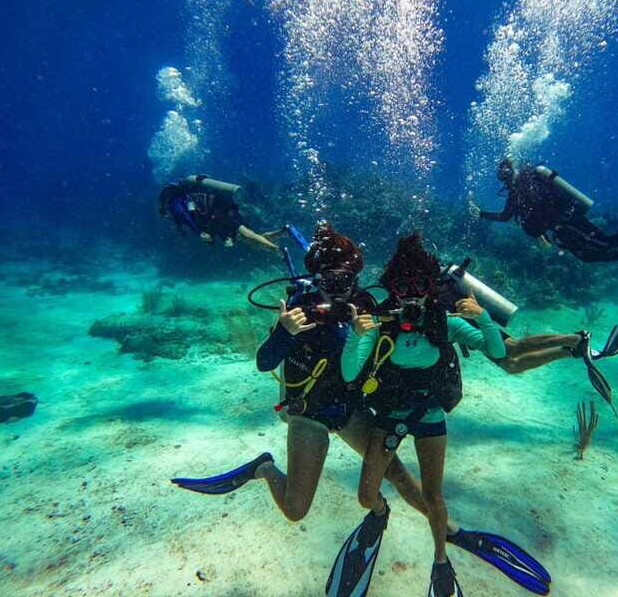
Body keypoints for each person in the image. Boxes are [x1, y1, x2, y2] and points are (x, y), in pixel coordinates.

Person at [171, 224, 551, 597]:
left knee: (398, 475)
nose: (339, 287)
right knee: (296, 509)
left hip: (352, 410)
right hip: (310, 412)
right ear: (316, 277)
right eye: (330, 279)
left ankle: (446, 528)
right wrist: (284, 330)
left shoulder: (367, 306)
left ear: (357, 274)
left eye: (348, 277)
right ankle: (264, 468)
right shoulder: (300, 309)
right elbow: (264, 361)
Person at [340, 233, 513, 597]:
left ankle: (440, 561)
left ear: (431, 288)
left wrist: (483, 318)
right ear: (392, 288)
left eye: (419, 285)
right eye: (402, 286)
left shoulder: (443, 322)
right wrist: (357, 336)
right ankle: (379, 512)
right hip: (389, 414)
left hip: (430, 414)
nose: (410, 294)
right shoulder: (381, 323)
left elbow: (496, 350)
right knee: (365, 495)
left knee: (434, 496)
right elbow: (349, 374)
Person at [470, 160, 618, 288]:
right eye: (502, 176)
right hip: (562, 229)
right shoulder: (518, 192)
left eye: (504, 174)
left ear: (511, 171)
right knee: (590, 254)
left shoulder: (529, 184)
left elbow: (523, 216)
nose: (505, 179)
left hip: (568, 223)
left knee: (604, 242)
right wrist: (481, 215)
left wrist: (537, 231)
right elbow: (507, 217)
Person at [158, 174, 279, 250]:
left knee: (248, 235)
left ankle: (277, 248)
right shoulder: (189, 196)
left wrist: (199, 232)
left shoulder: (175, 204)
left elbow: (187, 218)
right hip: (224, 208)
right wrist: (225, 238)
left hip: (221, 212)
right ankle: (281, 233)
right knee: (249, 236)